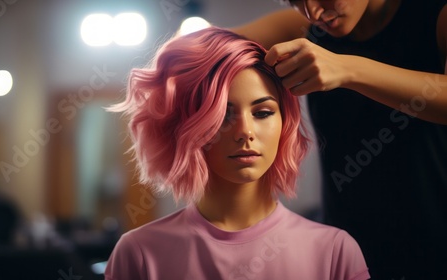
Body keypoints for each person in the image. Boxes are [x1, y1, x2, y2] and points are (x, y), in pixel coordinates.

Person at [104, 27, 370, 280]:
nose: (245, 132)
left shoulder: (335, 252)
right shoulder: (138, 254)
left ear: (285, 123)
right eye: (223, 115)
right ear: (190, 127)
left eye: (262, 113)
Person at [231, 0, 447, 279]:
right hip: (348, 257)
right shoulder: (304, 28)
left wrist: (348, 70)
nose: (314, 12)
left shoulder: (436, 15)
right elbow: (205, 46)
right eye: (295, 1)